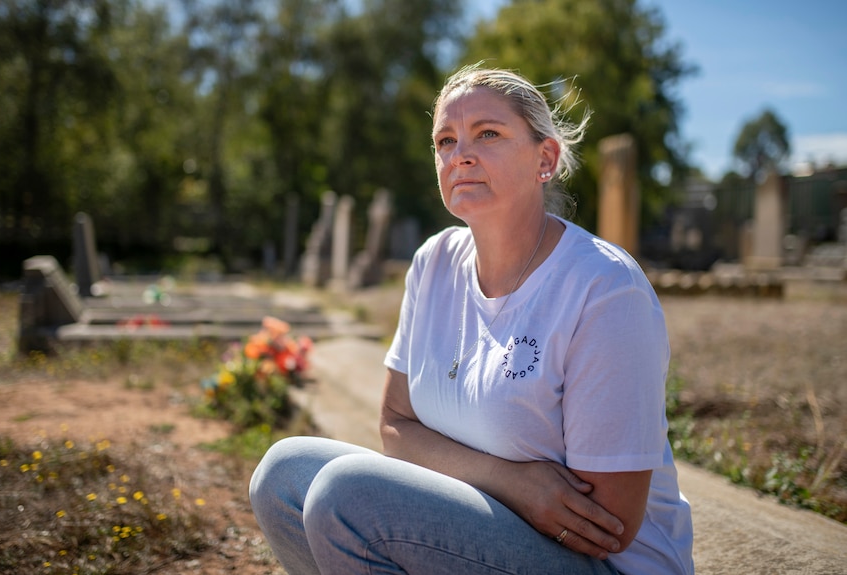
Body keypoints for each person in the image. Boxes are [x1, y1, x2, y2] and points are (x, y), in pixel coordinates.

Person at [250, 63, 694, 575]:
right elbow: (395, 426)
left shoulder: (604, 289)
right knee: (283, 475)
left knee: (346, 496)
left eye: (487, 133)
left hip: (602, 566)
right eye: (445, 140)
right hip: (484, 527)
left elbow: (607, 524)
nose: (460, 154)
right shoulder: (433, 263)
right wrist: (514, 483)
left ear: (544, 158)